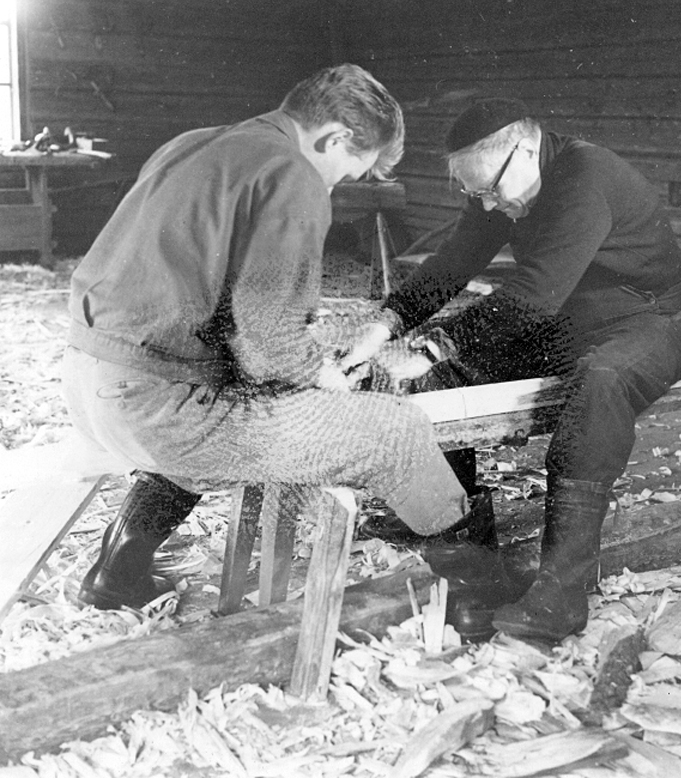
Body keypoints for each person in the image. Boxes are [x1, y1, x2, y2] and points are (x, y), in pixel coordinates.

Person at [62, 64, 495, 612]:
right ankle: (483, 598)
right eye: (347, 175)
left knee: (232, 400)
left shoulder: (194, 144)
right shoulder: (292, 172)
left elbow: (224, 313)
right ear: (334, 137)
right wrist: (323, 375)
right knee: (396, 431)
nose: (335, 187)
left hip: (90, 383)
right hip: (153, 405)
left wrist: (302, 355)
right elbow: (269, 342)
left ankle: (115, 574)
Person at [343, 97, 681, 643]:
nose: (487, 206)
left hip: (649, 320)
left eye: (490, 191)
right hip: (567, 319)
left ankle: (561, 594)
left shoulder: (586, 178)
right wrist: (383, 327)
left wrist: (436, 344)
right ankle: (471, 561)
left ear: (526, 148)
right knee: (440, 378)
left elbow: (533, 294)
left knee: (600, 382)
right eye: (475, 196)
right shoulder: (502, 186)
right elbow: (453, 262)